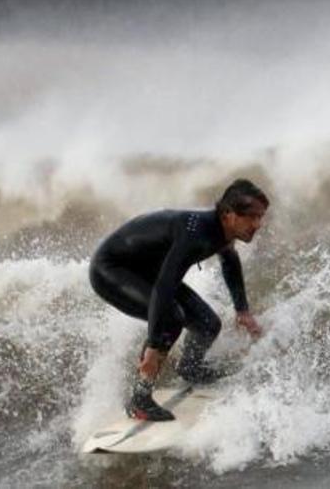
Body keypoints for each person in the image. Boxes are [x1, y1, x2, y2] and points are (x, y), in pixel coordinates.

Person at [90, 179, 268, 421]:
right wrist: (154, 346)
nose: (257, 224)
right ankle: (140, 399)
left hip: (144, 269)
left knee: (208, 324)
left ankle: (190, 368)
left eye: (260, 217)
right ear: (228, 214)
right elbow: (164, 288)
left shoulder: (223, 231)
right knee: (172, 318)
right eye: (252, 217)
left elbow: (229, 260)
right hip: (110, 269)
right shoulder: (195, 234)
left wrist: (242, 310)